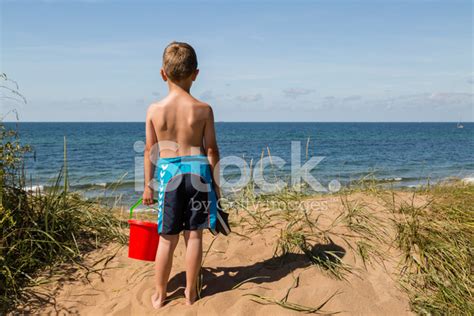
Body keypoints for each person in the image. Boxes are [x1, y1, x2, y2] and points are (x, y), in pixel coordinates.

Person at [142, 41, 221, 308]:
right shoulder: (203, 109)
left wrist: (148, 187)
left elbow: (150, 151)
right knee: (195, 235)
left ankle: (161, 294)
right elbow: (212, 150)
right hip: (198, 173)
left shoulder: (154, 110)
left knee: (167, 238)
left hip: (169, 175)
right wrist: (216, 185)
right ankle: (190, 292)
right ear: (196, 74)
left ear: (163, 73)